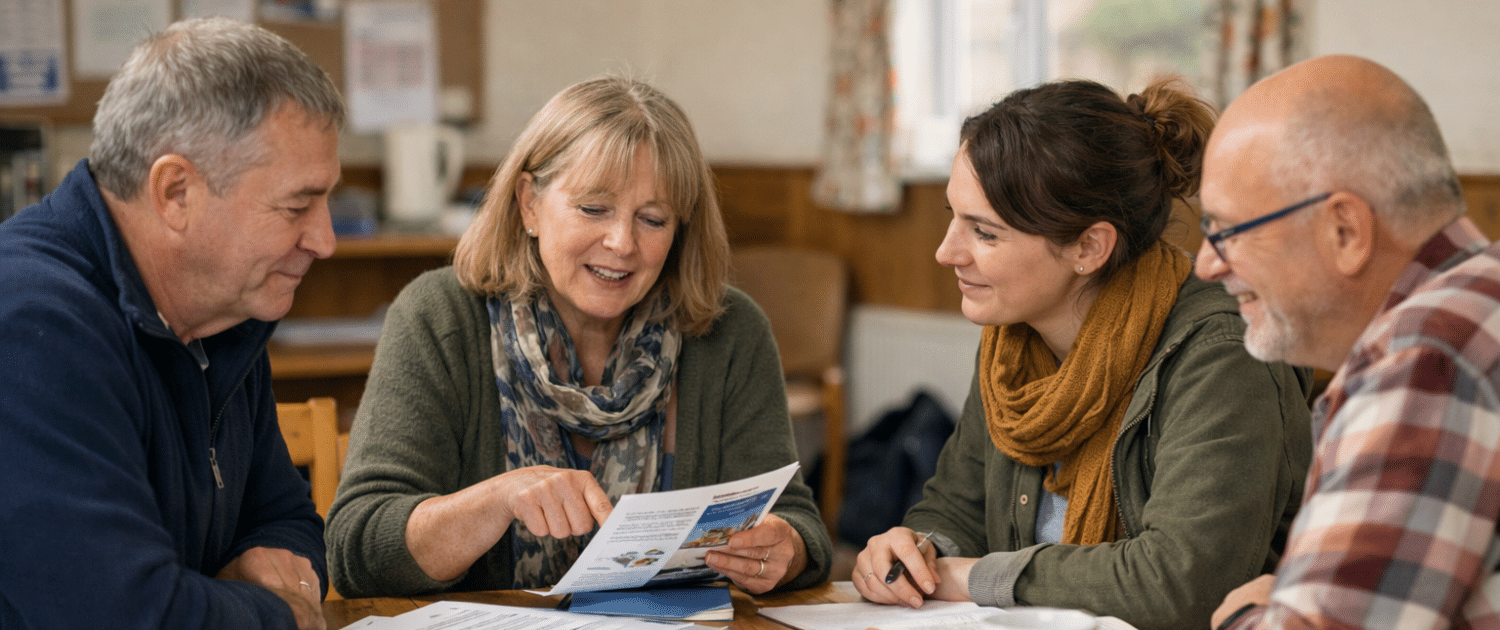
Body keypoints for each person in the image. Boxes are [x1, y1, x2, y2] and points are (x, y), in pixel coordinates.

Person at [325, 76, 833, 597]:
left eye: (653, 220)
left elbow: (800, 528)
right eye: (593, 209)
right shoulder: (439, 318)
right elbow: (357, 550)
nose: (621, 243)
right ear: (529, 205)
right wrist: (497, 500)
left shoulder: (730, 331)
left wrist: (782, 549)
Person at [850, 78, 1315, 630]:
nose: (946, 251)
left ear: (1089, 247)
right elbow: (955, 508)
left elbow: (1182, 582)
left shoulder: (1222, 353)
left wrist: (977, 577)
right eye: (954, 217)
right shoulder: (1011, 342)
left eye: (985, 234)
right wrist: (917, 551)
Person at [0, 17, 343, 630]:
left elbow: (288, 526)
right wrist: (276, 612)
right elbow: (122, 614)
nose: (325, 240)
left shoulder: (221, 312)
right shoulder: (30, 325)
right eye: (297, 206)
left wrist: (252, 579)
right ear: (176, 191)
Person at [1200, 55, 1500, 630]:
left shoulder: (1425, 357)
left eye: (1226, 232)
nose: (1205, 265)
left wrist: (1247, 612)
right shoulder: (1477, 303)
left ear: (1345, 231)